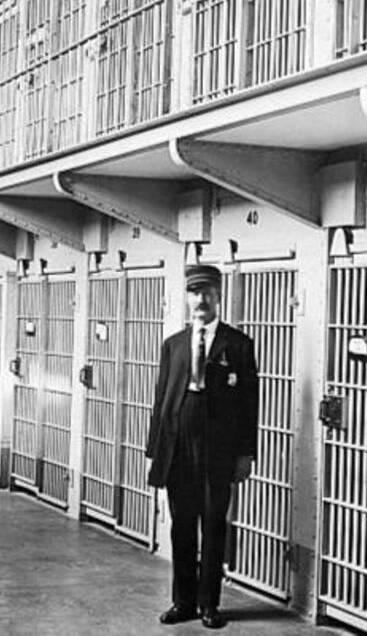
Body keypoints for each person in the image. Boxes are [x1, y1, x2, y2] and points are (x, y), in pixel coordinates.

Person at [146, 264, 259, 629]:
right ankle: (184, 602)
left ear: (218, 296)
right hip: (179, 448)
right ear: (187, 297)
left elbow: (248, 403)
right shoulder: (174, 345)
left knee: (213, 525)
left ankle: (210, 604)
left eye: (208, 293)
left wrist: (245, 453)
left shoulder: (238, 345)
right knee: (181, 527)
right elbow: (161, 399)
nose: (201, 300)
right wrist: (155, 451)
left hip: (218, 451)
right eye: (195, 293)